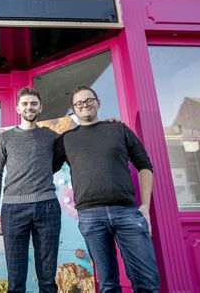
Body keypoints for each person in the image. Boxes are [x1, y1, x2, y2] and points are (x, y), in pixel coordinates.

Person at [54, 86, 160, 293]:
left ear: (98, 103)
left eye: (89, 100)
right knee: (108, 284)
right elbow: (45, 167)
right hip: (90, 217)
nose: (85, 105)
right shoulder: (66, 139)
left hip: (127, 212)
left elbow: (144, 165)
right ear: (73, 110)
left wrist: (145, 206)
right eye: (79, 103)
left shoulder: (118, 129)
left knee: (147, 279)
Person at [0, 87, 61, 293]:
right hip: (13, 210)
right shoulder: (6, 138)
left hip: (47, 207)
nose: (29, 107)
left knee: (48, 279)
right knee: (16, 280)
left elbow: (56, 162)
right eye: (25, 104)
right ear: (18, 109)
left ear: (41, 107)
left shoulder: (52, 137)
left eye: (33, 103)